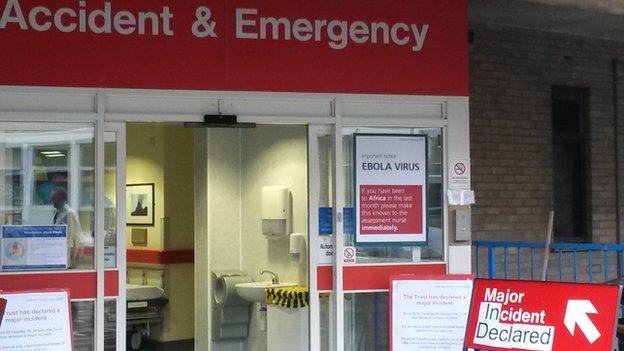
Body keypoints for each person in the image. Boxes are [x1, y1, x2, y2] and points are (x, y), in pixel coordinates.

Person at [51, 187, 83, 268]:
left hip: (67, 255)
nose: (52, 202)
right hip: (58, 252)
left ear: (61, 199)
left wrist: (73, 258)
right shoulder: (57, 212)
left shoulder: (70, 213)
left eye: (54, 199)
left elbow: (76, 237)